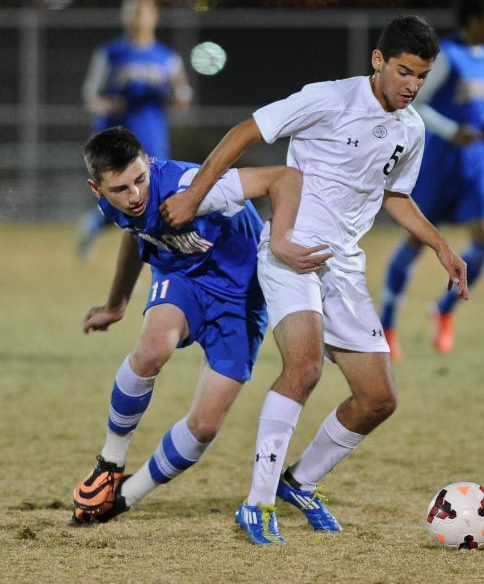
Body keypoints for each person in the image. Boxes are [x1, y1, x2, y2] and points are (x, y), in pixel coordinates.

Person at [158, 16, 469, 545]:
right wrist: (193, 196)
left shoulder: (411, 129)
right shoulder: (328, 99)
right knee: (302, 367)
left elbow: (394, 195)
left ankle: (299, 482)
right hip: (290, 249)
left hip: (344, 267)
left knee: (377, 399)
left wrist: (441, 246)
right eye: (404, 72)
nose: (413, 85)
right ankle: (256, 504)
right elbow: (246, 132)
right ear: (377, 60)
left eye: (422, 75)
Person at [71, 127, 331, 525]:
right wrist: (116, 303)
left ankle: (126, 496)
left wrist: (279, 239)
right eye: (120, 189)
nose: (135, 195)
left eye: (140, 180)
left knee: (206, 424)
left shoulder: (187, 184)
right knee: (153, 348)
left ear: (148, 164)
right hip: (182, 278)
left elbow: (283, 177)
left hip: (242, 296)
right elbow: (135, 235)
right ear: (97, 189)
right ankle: (110, 461)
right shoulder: (117, 206)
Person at [380, 0, 484, 361]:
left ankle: (443, 310)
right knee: (418, 242)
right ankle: (387, 323)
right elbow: (417, 103)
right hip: (437, 162)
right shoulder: (447, 58)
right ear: (474, 20)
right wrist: (452, 131)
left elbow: (474, 111)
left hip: (475, 163)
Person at [76, 0, 193, 259]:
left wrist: (176, 93)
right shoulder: (111, 53)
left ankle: (157, 257)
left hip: (151, 138)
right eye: (132, 12)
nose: (138, 18)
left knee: (156, 199)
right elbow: (91, 96)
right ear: (124, 17)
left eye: (143, 12)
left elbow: (183, 96)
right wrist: (110, 105)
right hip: (118, 141)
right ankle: (95, 225)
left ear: (154, 16)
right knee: (119, 198)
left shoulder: (167, 58)